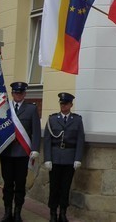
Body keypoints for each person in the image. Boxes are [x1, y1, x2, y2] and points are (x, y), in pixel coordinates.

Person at [0, 82, 41, 222]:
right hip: (6, 153)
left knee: (20, 184)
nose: (18, 95)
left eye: (21, 93)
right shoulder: (4, 108)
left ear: (24, 94)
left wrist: (34, 149)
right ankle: (7, 212)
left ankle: (17, 212)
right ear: (12, 93)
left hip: (22, 153)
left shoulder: (31, 109)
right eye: (16, 93)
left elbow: (35, 131)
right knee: (8, 184)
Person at [44, 92, 85, 222]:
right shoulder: (52, 119)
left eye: (66, 104)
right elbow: (47, 141)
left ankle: (63, 212)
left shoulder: (77, 120)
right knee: (54, 187)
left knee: (65, 187)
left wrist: (78, 158)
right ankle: (52, 213)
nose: (63, 106)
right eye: (62, 103)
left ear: (71, 105)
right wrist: (48, 159)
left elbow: (80, 140)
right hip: (55, 158)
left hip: (69, 158)